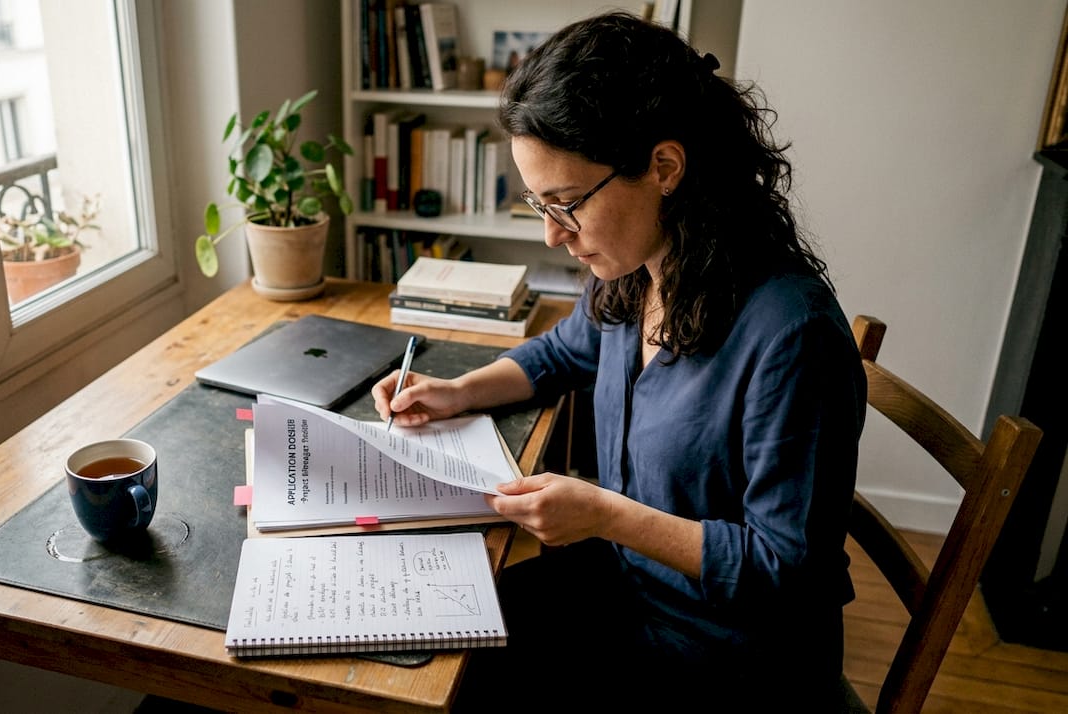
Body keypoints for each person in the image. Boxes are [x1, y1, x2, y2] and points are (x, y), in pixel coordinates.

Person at [371, 10, 867, 711]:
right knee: (427, 637)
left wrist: (607, 515)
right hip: (624, 591)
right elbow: (566, 350)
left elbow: (788, 571)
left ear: (664, 166)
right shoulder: (636, 269)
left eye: (567, 204)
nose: (551, 235)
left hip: (731, 663)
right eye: (539, 204)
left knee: (455, 684)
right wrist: (457, 391)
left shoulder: (792, 334)